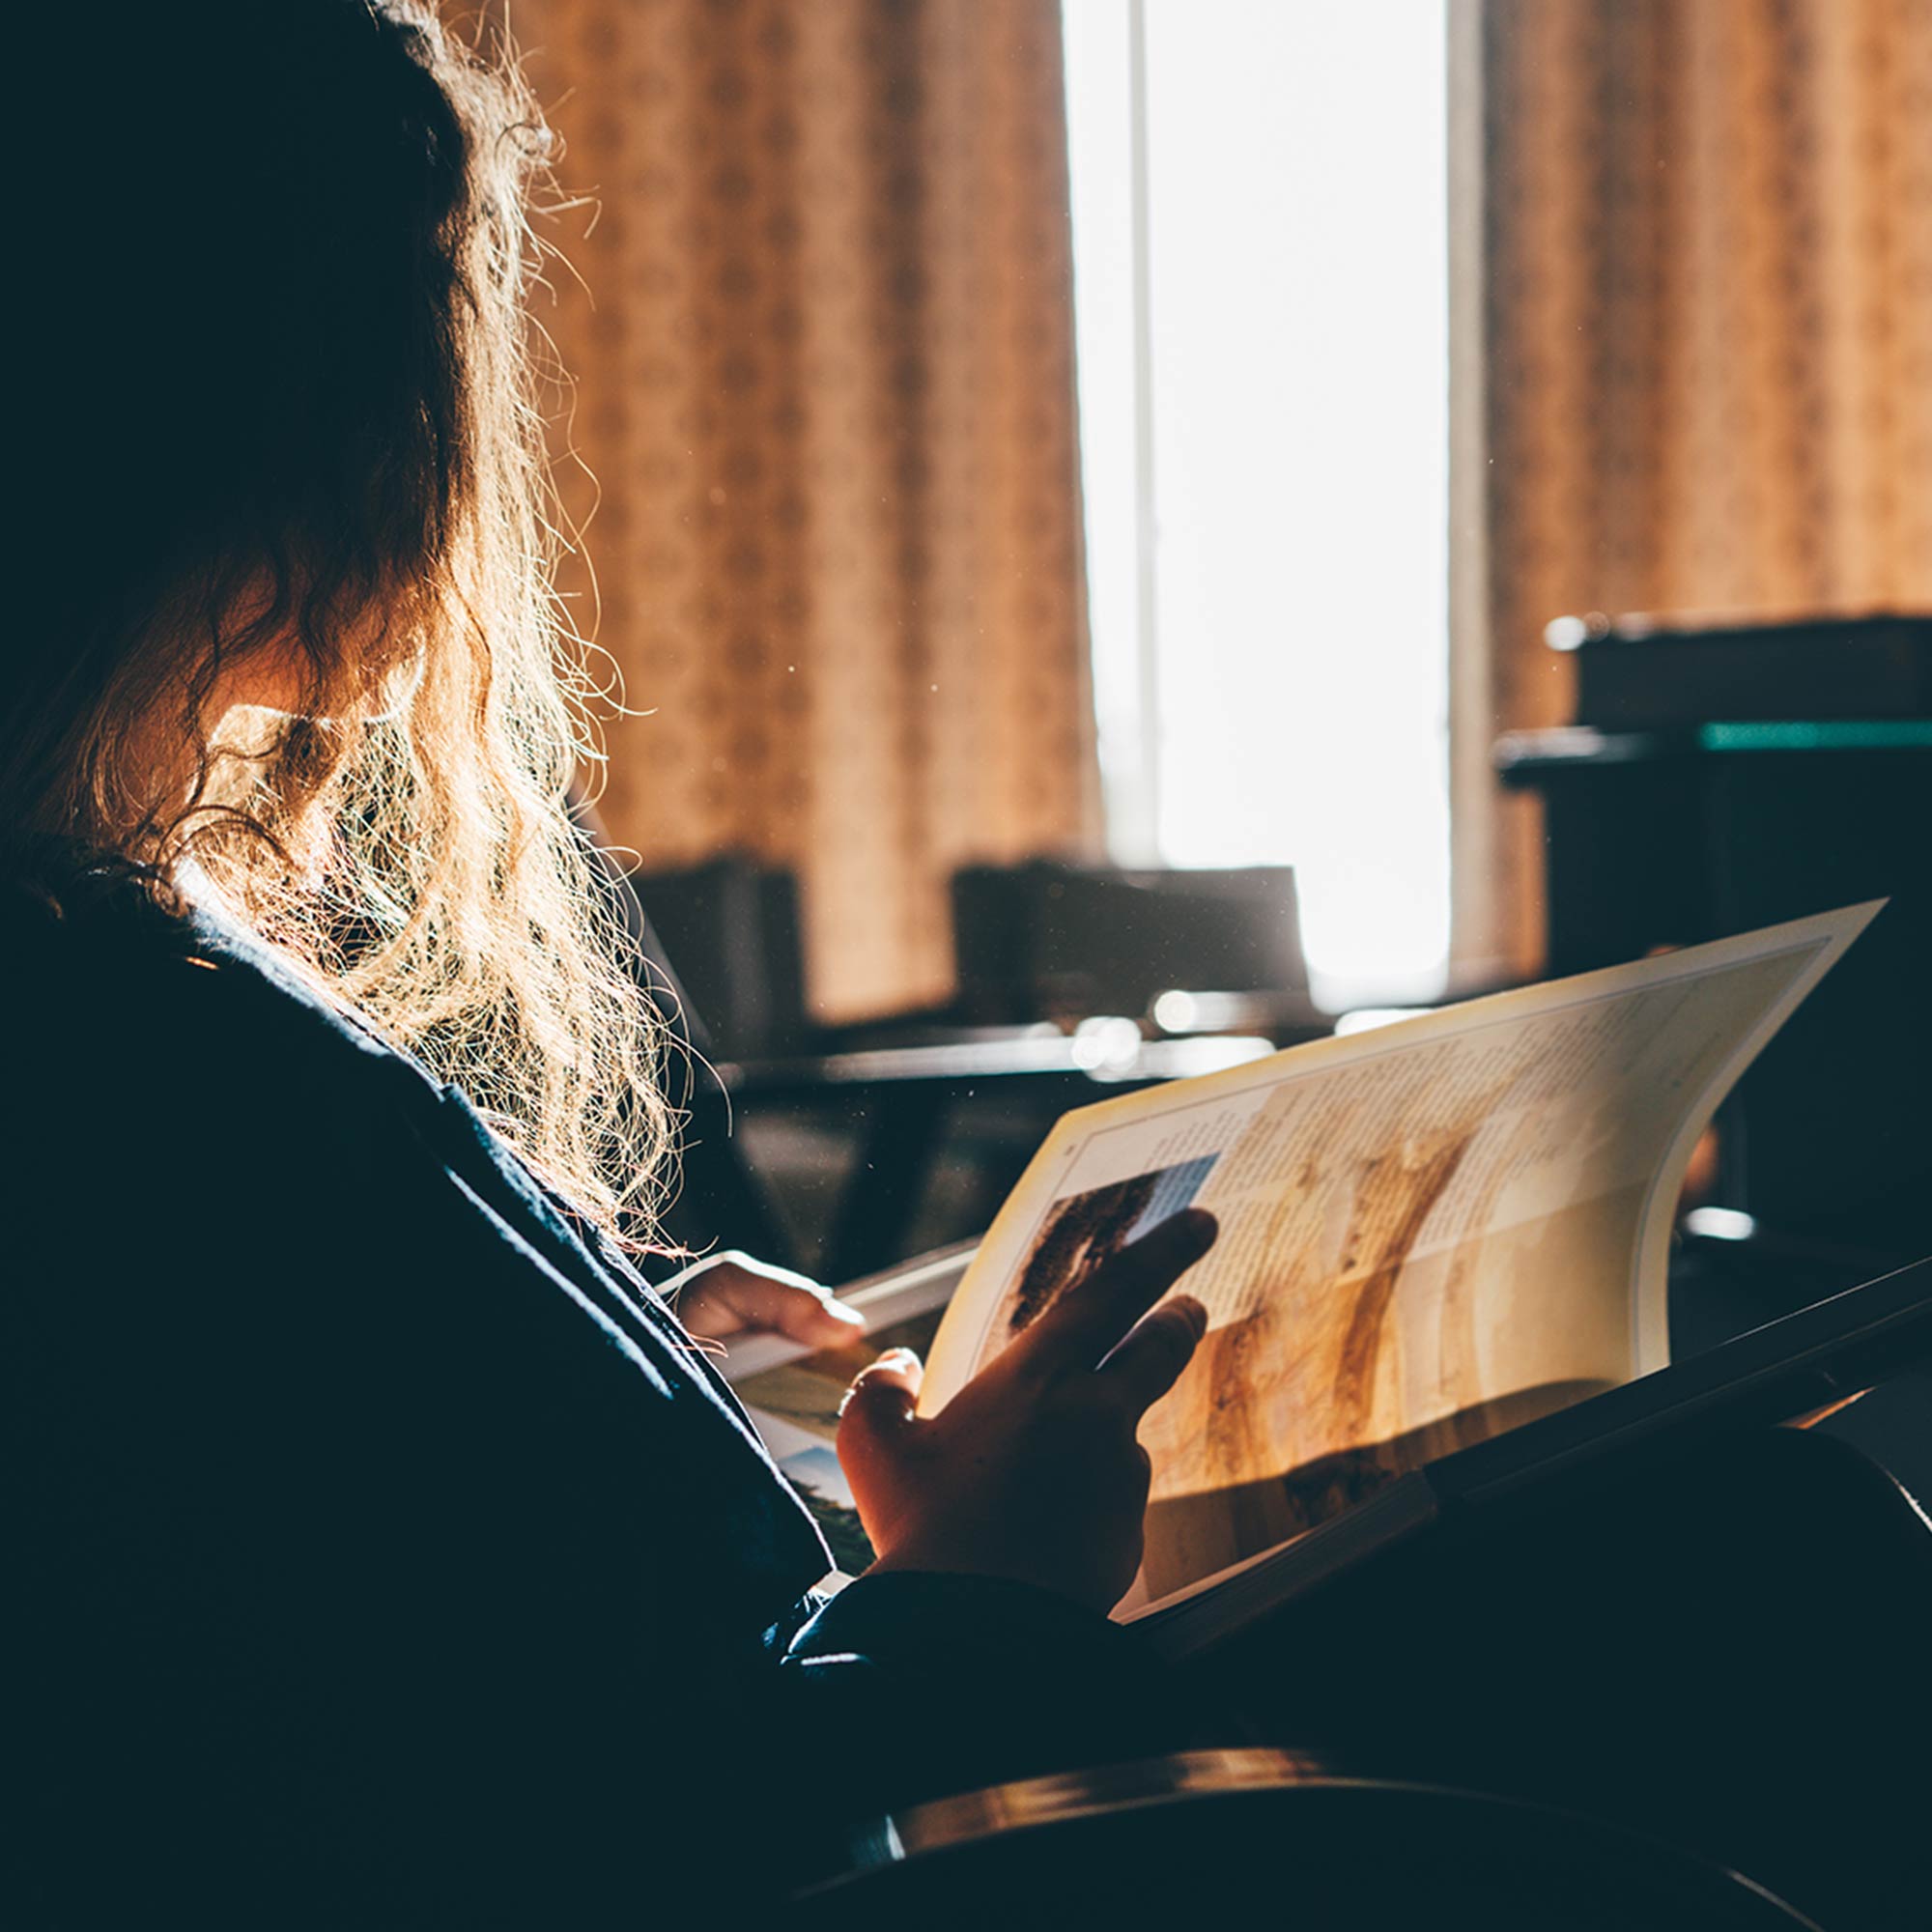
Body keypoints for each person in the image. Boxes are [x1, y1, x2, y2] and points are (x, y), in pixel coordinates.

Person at [6, 5, 1218, 1920]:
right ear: (229, 404)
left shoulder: (104, 968)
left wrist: (595, 1317)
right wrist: (976, 1599)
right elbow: (567, 1831)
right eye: (412, 334)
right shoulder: (130, 1055)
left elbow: (329, 1547)